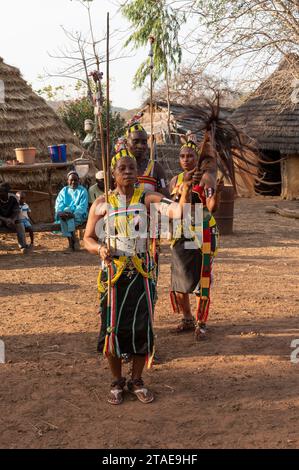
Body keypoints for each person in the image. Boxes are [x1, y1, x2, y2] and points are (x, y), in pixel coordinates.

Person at [84, 149, 196, 405]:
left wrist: (186, 189)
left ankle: (136, 379)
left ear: (138, 173)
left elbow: (178, 212)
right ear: (113, 174)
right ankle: (116, 381)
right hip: (113, 275)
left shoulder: (147, 198)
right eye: (122, 168)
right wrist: (99, 248)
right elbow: (87, 238)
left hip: (141, 274)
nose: (127, 172)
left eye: (131, 168)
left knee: (141, 326)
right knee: (112, 327)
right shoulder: (102, 203)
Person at [169, 139, 221, 339]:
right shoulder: (175, 180)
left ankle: (201, 322)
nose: (186, 159)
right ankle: (187, 318)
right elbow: (171, 206)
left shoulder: (206, 178)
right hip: (181, 233)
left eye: (190, 156)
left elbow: (211, 206)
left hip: (202, 234)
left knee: (202, 278)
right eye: (182, 156)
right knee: (179, 278)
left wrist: (217, 196)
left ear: (197, 158)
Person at [125, 122, 170, 197]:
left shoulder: (155, 168)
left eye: (144, 142)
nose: (140, 146)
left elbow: (165, 198)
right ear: (126, 143)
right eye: (136, 142)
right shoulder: (118, 168)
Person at [55, 171, 88, 252]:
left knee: (66, 218)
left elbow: (82, 206)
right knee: (65, 214)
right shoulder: (64, 190)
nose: (73, 182)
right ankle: (73, 239)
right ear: (67, 181)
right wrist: (60, 212)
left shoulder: (83, 191)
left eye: (75, 180)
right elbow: (59, 204)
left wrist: (73, 214)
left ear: (78, 180)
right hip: (66, 215)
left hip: (79, 216)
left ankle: (71, 243)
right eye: (71, 180)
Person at [0, 183, 29, 253]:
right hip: (1, 219)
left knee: (20, 225)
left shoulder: (13, 198)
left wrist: (12, 219)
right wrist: (6, 220)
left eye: (1, 191)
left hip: (11, 219)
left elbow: (16, 211)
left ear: (6, 192)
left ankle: (23, 246)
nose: (0, 193)